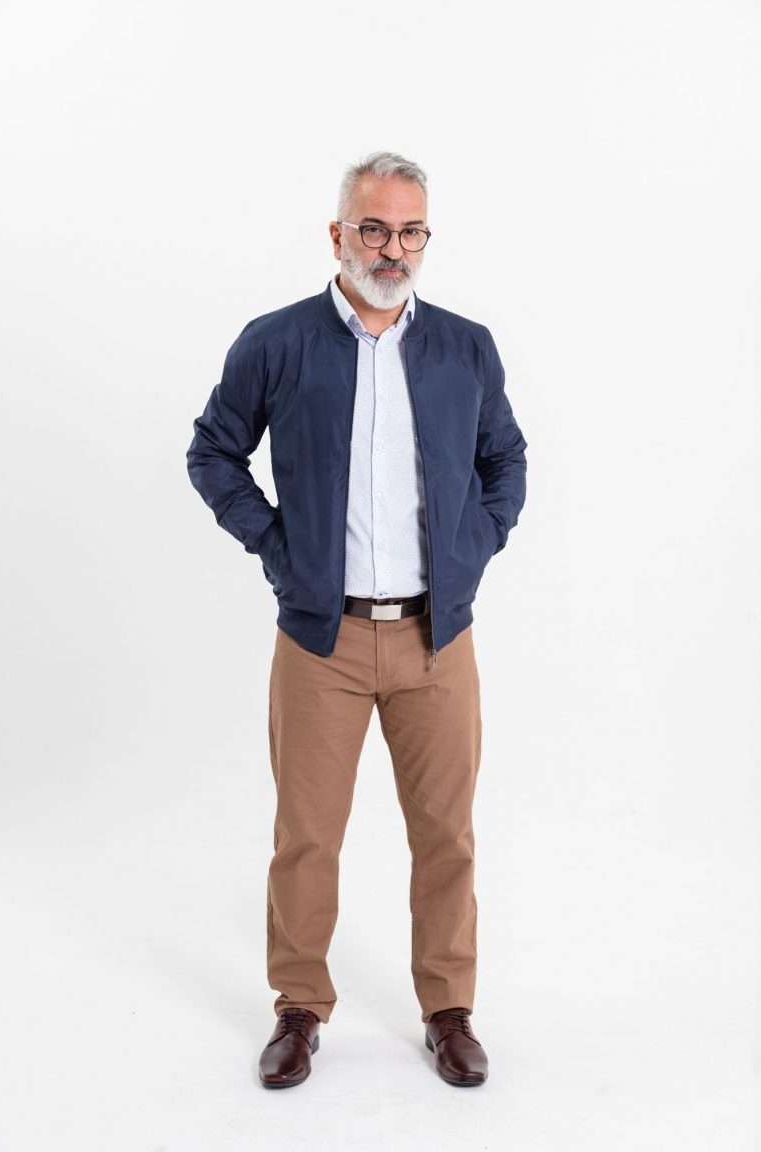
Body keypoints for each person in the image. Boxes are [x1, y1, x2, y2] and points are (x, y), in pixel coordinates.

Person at [186, 151, 527, 1089]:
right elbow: (213, 452)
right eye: (373, 229)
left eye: (410, 231)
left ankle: (448, 1008)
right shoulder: (277, 342)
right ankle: (299, 1006)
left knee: (447, 834)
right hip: (320, 640)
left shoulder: (465, 346)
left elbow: (506, 460)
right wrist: (278, 547)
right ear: (337, 234)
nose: (392, 249)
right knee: (306, 836)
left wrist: (472, 547)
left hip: (436, 639)